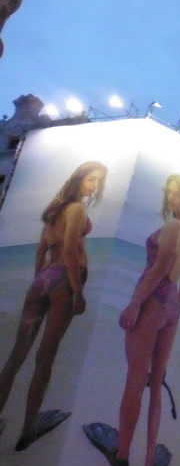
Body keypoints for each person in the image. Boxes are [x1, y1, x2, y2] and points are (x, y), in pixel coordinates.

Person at [84, 174, 180, 466]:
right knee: (156, 385)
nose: (170, 197)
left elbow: (159, 268)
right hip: (170, 304)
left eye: (176, 193)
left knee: (135, 380)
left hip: (153, 298)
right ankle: (148, 465)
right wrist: (173, 315)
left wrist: (135, 304)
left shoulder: (173, 227)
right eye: (169, 192)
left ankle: (121, 457)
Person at [0, 161, 107, 449]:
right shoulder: (77, 209)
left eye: (97, 181)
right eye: (91, 179)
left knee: (16, 356)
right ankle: (26, 431)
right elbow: (71, 249)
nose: (94, 186)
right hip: (64, 280)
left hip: (45, 277)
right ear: (79, 178)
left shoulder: (54, 210)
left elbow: (41, 249)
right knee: (45, 358)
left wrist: (39, 282)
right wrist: (77, 290)